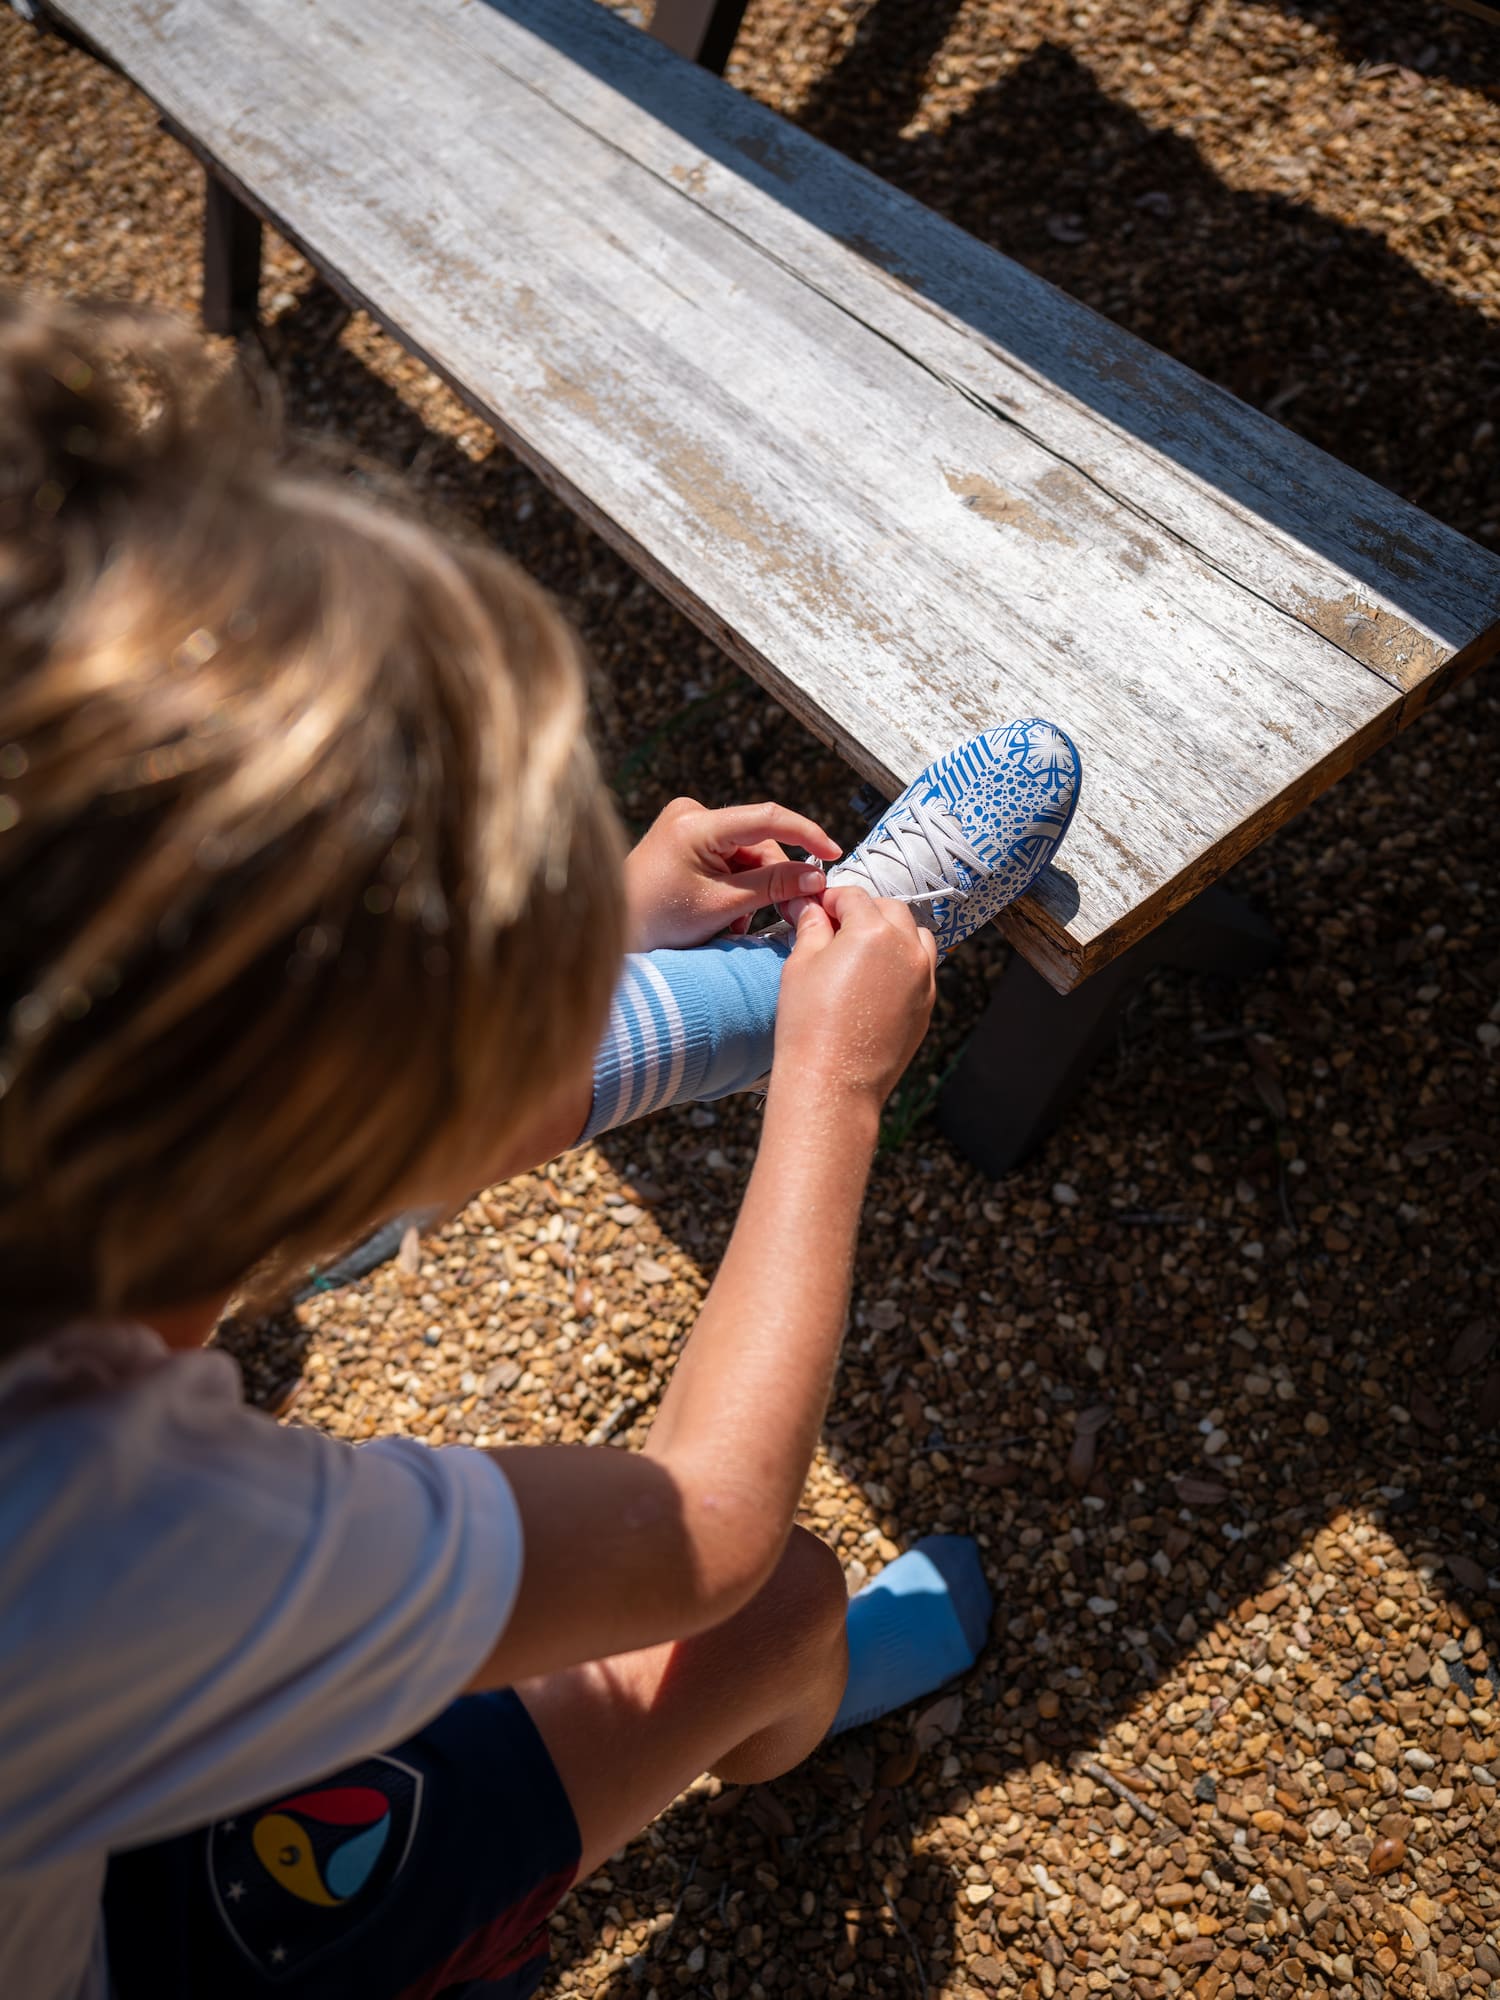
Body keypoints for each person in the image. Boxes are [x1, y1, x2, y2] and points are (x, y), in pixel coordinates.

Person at [0, 294, 1081, 2000]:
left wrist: (593, 931)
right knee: (773, 1606)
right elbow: (711, 1526)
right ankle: (779, 1016)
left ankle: (700, 1001)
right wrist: (831, 1095)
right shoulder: (115, 1544)